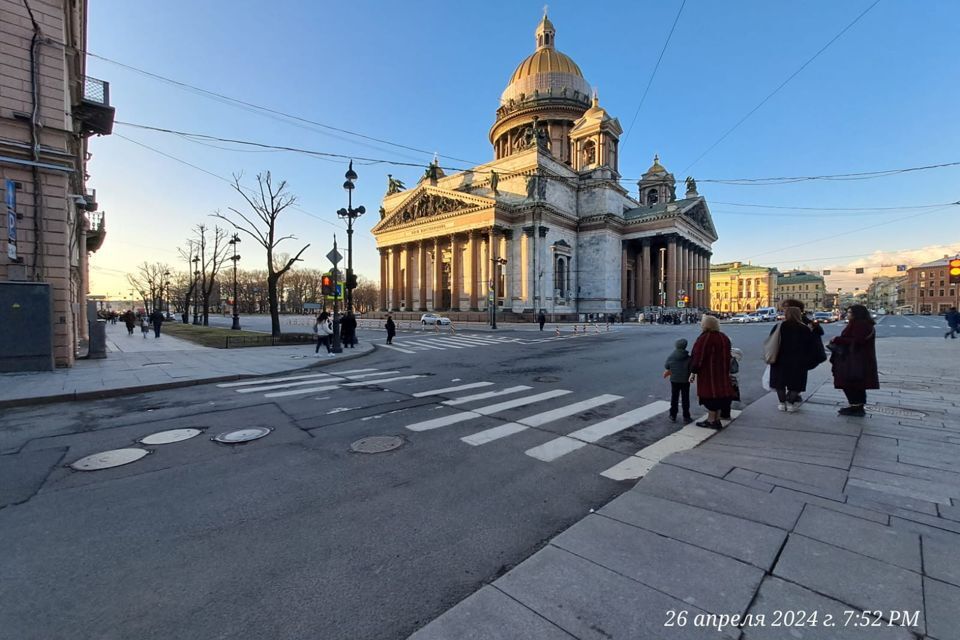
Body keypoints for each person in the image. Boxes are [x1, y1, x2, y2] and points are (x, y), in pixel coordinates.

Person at [829, 304, 878, 417]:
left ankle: (856, 407)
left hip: (855, 359)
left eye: (850, 312)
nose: (848, 314)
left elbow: (857, 340)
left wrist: (837, 339)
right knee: (857, 383)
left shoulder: (860, 324)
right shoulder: (863, 324)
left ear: (857, 314)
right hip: (858, 358)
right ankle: (856, 406)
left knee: (850, 382)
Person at [770, 306, 822, 413]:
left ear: (787, 314)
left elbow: (772, 341)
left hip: (780, 359)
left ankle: (781, 403)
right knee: (796, 383)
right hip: (799, 360)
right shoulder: (804, 328)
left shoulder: (779, 326)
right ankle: (790, 403)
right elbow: (811, 346)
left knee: (780, 382)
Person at [689, 314, 735, 429]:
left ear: (706, 325)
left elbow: (699, 356)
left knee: (710, 396)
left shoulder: (705, 338)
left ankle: (711, 421)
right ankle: (717, 419)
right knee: (719, 395)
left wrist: (693, 371)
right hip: (722, 371)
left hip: (709, 373)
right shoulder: (723, 337)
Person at [663, 338, 693, 423]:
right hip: (685, 380)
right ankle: (686, 416)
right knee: (685, 398)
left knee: (674, 397)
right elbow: (691, 368)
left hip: (674, 379)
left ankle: (673, 415)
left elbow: (667, 366)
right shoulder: (688, 357)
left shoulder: (671, 356)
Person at [720, 347, 743, 420]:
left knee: (723, 395)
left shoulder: (726, 355)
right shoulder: (734, 353)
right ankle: (725, 413)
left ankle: (724, 413)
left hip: (726, 378)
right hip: (731, 378)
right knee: (728, 395)